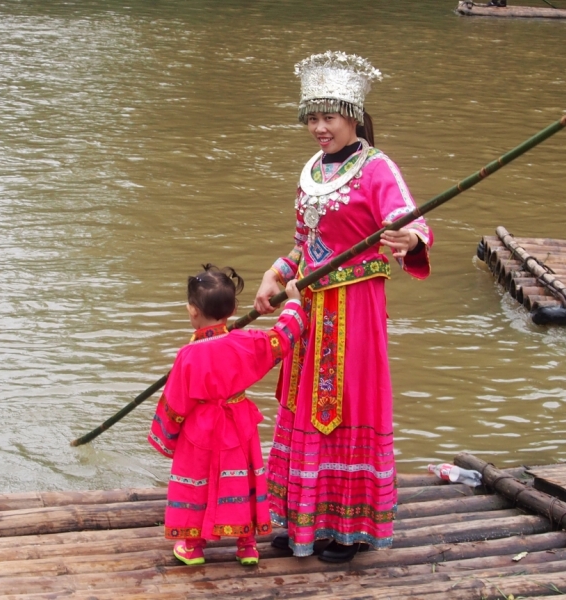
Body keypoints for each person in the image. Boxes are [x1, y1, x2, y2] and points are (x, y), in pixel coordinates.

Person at [253, 51, 433, 563]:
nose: (318, 128)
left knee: (343, 407)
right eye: (311, 118)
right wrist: (276, 274)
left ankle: (344, 529)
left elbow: (410, 222)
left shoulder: (377, 167)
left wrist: (409, 239)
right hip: (308, 310)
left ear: (351, 115)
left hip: (354, 314)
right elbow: (303, 243)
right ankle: (297, 517)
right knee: (301, 407)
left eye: (327, 117)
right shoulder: (311, 169)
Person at [148, 264, 308, 566]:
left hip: (201, 431)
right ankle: (247, 545)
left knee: (199, 482)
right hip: (238, 425)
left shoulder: (188, 355)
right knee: (241, 479)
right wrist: (294, 303)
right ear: (234, 308)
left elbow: (176, 404)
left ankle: (193, 547)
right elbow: (282, 338)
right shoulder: (245, 343)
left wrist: (167, 438)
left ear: (192, 311)